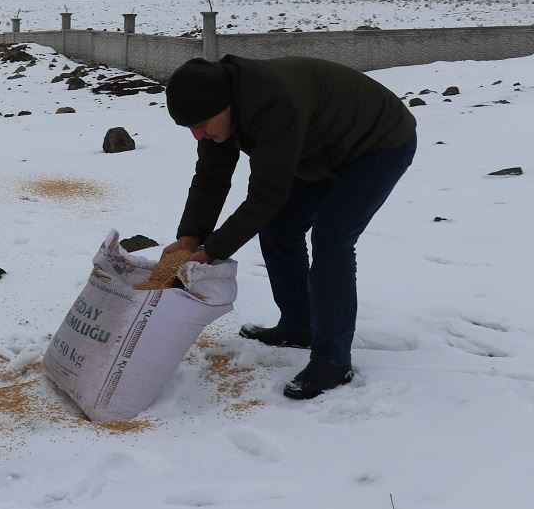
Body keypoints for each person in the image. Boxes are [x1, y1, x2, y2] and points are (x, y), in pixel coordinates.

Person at [163, 55, 416, 399]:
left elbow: (266, 195)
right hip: (318, 148)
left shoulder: (271, 103)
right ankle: (299, 326)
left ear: (227, 105)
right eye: (189, 128)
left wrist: (211, 252)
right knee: (280, 227)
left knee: (332, 238)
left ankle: (332, 361)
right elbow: (211, 178)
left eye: (202, 124)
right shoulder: (219, 106)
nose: (198, 135)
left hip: (377, 144)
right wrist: (189, 237)